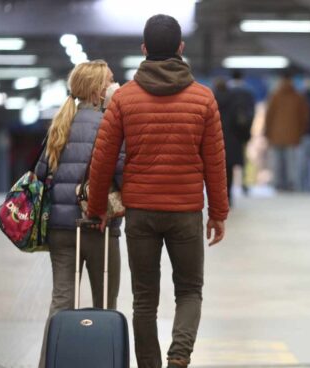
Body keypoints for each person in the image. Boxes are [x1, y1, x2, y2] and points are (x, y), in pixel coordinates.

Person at [85, 15, 229, 368]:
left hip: (141, 213)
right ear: (181, 49)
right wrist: (219, 213)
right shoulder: (203, 99)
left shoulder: (124, 100)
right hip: (185, 212)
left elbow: (102, 160)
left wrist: (97, 206)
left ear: (144, 49)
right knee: (189, 291)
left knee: (144, 300)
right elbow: (215, 162)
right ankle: (179, 357)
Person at [34, 60, 123, 368]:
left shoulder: (60, 122)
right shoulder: (111, 124)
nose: (116, 86)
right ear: (100, 90)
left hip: (61, 229)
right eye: (111, 81)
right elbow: (122, 171)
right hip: (100, 227)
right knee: (105, 304)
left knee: (60, 302)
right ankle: (103, 360)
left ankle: (51, 362)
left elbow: (41, 174)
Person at [265, 71, 309, 191]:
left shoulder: (274, 96)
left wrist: (267, 133)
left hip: (275, 135)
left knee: (278, 162)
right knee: (291, 163)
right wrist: (300, 133)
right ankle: (291, 184)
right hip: (293, 136)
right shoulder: (298, 97)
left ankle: (279, 184)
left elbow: (269, 116)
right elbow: (304, 117)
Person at [218, 71, 255, 204]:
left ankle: (220, 196)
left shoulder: (215, 97)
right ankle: (230, 194)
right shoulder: (244, 94)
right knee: (231, 167)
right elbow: (245, 117)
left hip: (218, 137)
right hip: (234, 137)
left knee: (219, 168)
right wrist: (246, 135)